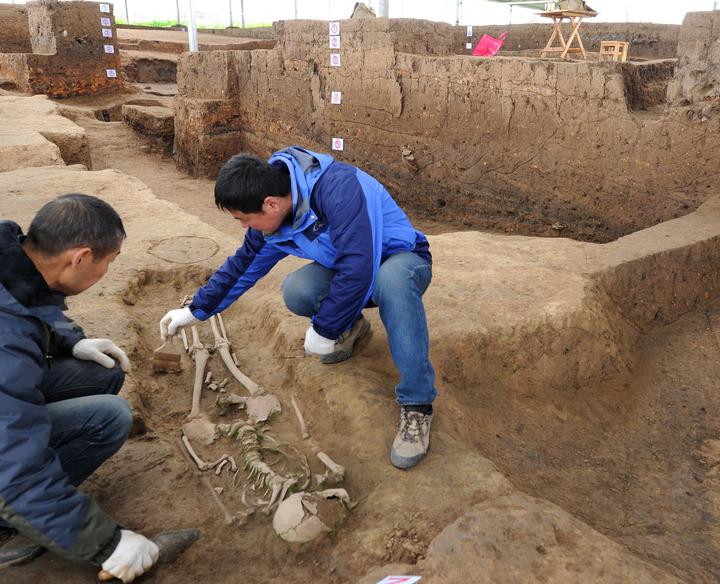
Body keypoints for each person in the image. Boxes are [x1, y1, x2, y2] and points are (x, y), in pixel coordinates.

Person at [159, 147, 437, 469]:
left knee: (393, 281)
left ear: (271, 204)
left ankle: (417, 404)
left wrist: (324, 328)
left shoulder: (338, 189)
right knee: (298, 290)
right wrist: (197, 309)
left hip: (401, 259)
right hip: (350, 268)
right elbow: (242, 267)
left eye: (244, 219)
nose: (244, 226)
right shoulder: (275, 218)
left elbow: (360, 266)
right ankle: (353, 327)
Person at [0, 194, 158, 582]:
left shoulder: (12, 258)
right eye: (108, 262)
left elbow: (30, 301)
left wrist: (71, 341)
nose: (106, 271)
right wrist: (108, 545)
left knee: (102, 375)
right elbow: (12, 463)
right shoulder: (6, 340)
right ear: (81, 257)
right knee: (110, 418)